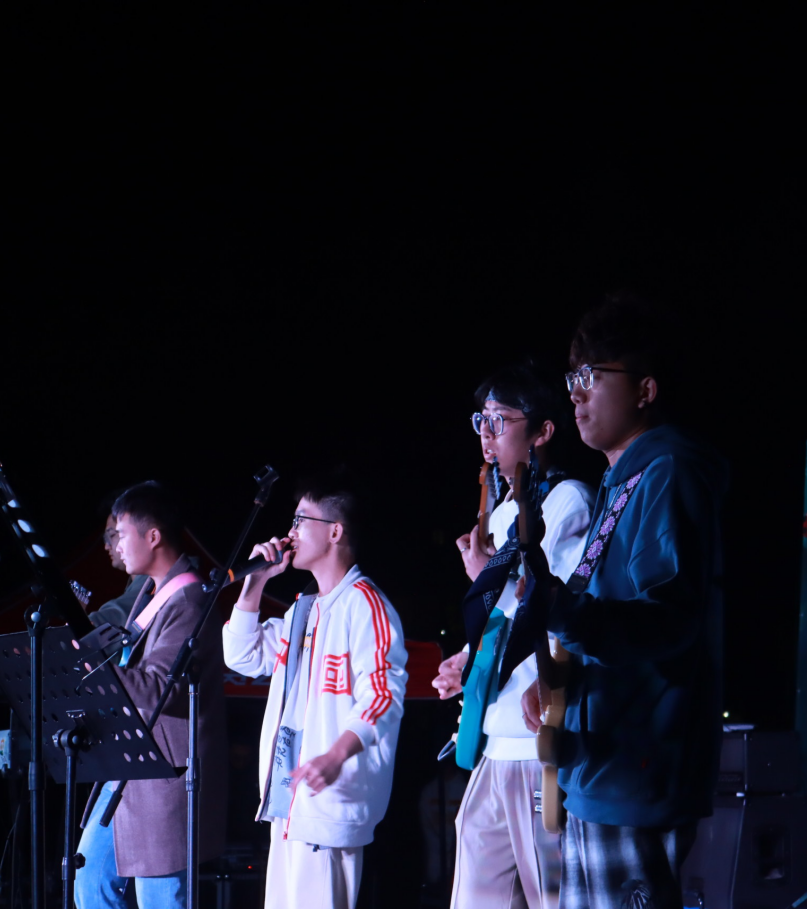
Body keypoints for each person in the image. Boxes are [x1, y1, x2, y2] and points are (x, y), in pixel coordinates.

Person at [521, 295, 728, 909]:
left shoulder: (669, 471)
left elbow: (668, 620)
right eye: (572, 379)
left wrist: (560, 610)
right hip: (599, 766)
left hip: (637, 765)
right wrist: (558, 683)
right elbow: (602, 611)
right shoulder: (622, 480)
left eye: (592, 376)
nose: (576, 394)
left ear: (645, 389)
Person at [431, 363, 594, 909]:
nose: (486, 433)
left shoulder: (568, 501)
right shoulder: (504, 509)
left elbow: (560, 608)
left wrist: (485, 575)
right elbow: (504, 613)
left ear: (543, 431)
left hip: (534, 739)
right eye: (481, 420)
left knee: (550, 894)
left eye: (499, 421)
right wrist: (467, 657)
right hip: (493, 735)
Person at [222, 481, 407, 909]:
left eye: (300, 521)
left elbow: (382, 695)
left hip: (330, 802)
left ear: (335, 531)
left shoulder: (366, 605)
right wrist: (255, 583)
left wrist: (335, 755)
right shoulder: (303, 609)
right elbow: (242, 655)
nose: (289, 532)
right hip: (289, 801)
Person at [76, 481, 228, 909]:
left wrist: (98, 668)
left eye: (121, 534)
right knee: (90, 880)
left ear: (153, 536)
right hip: (129, 767)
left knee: (158, 897)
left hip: (163, 777)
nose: (116, 546)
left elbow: (164, 687)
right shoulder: (149, 593)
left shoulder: (189, 600)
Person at [90, 511, 149, 629]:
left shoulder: (152, 581)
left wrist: (85, 622)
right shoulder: (135, 584)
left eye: (112, 535)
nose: (107, 546)